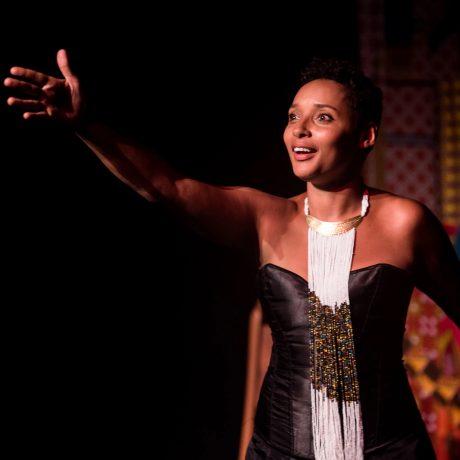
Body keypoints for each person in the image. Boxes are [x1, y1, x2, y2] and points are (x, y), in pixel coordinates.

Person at [4, 51, 459, 459]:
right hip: (281, 449)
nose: (299, 129)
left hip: (390, 450)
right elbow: (169, 189)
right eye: (293, 116)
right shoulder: (269, 219)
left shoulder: (405, 223)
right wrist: (88, 125)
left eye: (322, 118)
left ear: (364, 136)